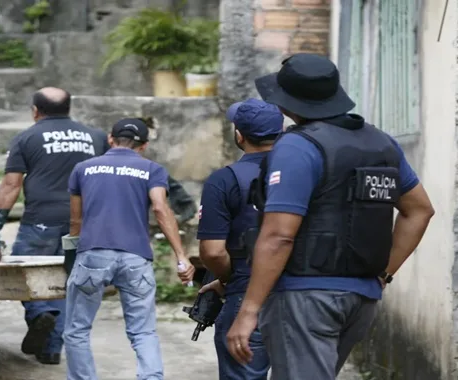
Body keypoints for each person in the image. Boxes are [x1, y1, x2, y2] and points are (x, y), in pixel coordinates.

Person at [225, 54, 435, 380]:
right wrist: (383, 273)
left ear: (285, 103)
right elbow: (420, 210)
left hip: (305, 298)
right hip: (361, 298)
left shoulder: (298, 146)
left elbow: (279, 235)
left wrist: (249, 309)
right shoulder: (382, 143)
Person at [0, 87, 110, 365]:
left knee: (22, 274)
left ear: (35, 111)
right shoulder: (97, 137)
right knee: (65, 284)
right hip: (84, 224)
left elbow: (11, 184)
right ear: (69, 108)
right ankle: (52, 350)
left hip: (39, 222)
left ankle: (40, 312)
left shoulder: (26, 137)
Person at [63, 118, 196, 380]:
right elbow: (160, 209)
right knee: (143, 331)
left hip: (93, 254)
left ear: (110, 139)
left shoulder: (83, 168)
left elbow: (75, 221)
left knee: (76, 330)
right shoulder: (152, 169)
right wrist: (181, 256)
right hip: (136, 257)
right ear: (144, 145)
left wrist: (73, 259)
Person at [197, 98, 284, 380]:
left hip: (245, 294)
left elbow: (212, 252)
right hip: (300, 294)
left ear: (239, 135)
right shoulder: (304, 172)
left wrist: (227, 280)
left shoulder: (224, 180)